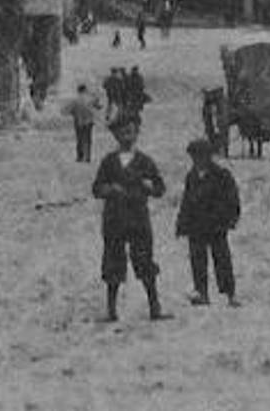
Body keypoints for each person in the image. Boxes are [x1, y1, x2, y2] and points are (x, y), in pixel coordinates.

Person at [91, 117, 170, 322]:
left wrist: (149, 186)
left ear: (136, 134)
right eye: (122, 132)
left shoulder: (144, 161)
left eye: (131, 131)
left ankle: (154, 306)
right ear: (115, 136)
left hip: (138, 218)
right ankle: (111, 309)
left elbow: (160, 188)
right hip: (114, 219)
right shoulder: (109, 161)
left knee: (144, 262)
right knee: (113, 263)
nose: (127, 135)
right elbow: (96, 188)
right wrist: (109, 189)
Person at [176, 138, 241, 307]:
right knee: (197, 260)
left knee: (222, 259)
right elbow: (186, 201)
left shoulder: (222, 175)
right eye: (194, 157)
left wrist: (231, 219)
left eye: (201, 156)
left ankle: (230, 294)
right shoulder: (191, 177)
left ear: (209, 156)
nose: (197, 160)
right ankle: (201, 292)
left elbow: (232, 199)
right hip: (196, 225)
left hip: (216, 224)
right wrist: (182, 222)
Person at [63, 84, 102, 163]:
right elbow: (99, 107)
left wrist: (73, 113)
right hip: (89, 122)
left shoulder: (75, 100)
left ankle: (80, 157)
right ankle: (88, 157)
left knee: (80, 139)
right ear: (85, 90)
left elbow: (65, 111)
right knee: (88, 139)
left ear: (78, 91)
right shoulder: (90, 99)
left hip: (79, 122)